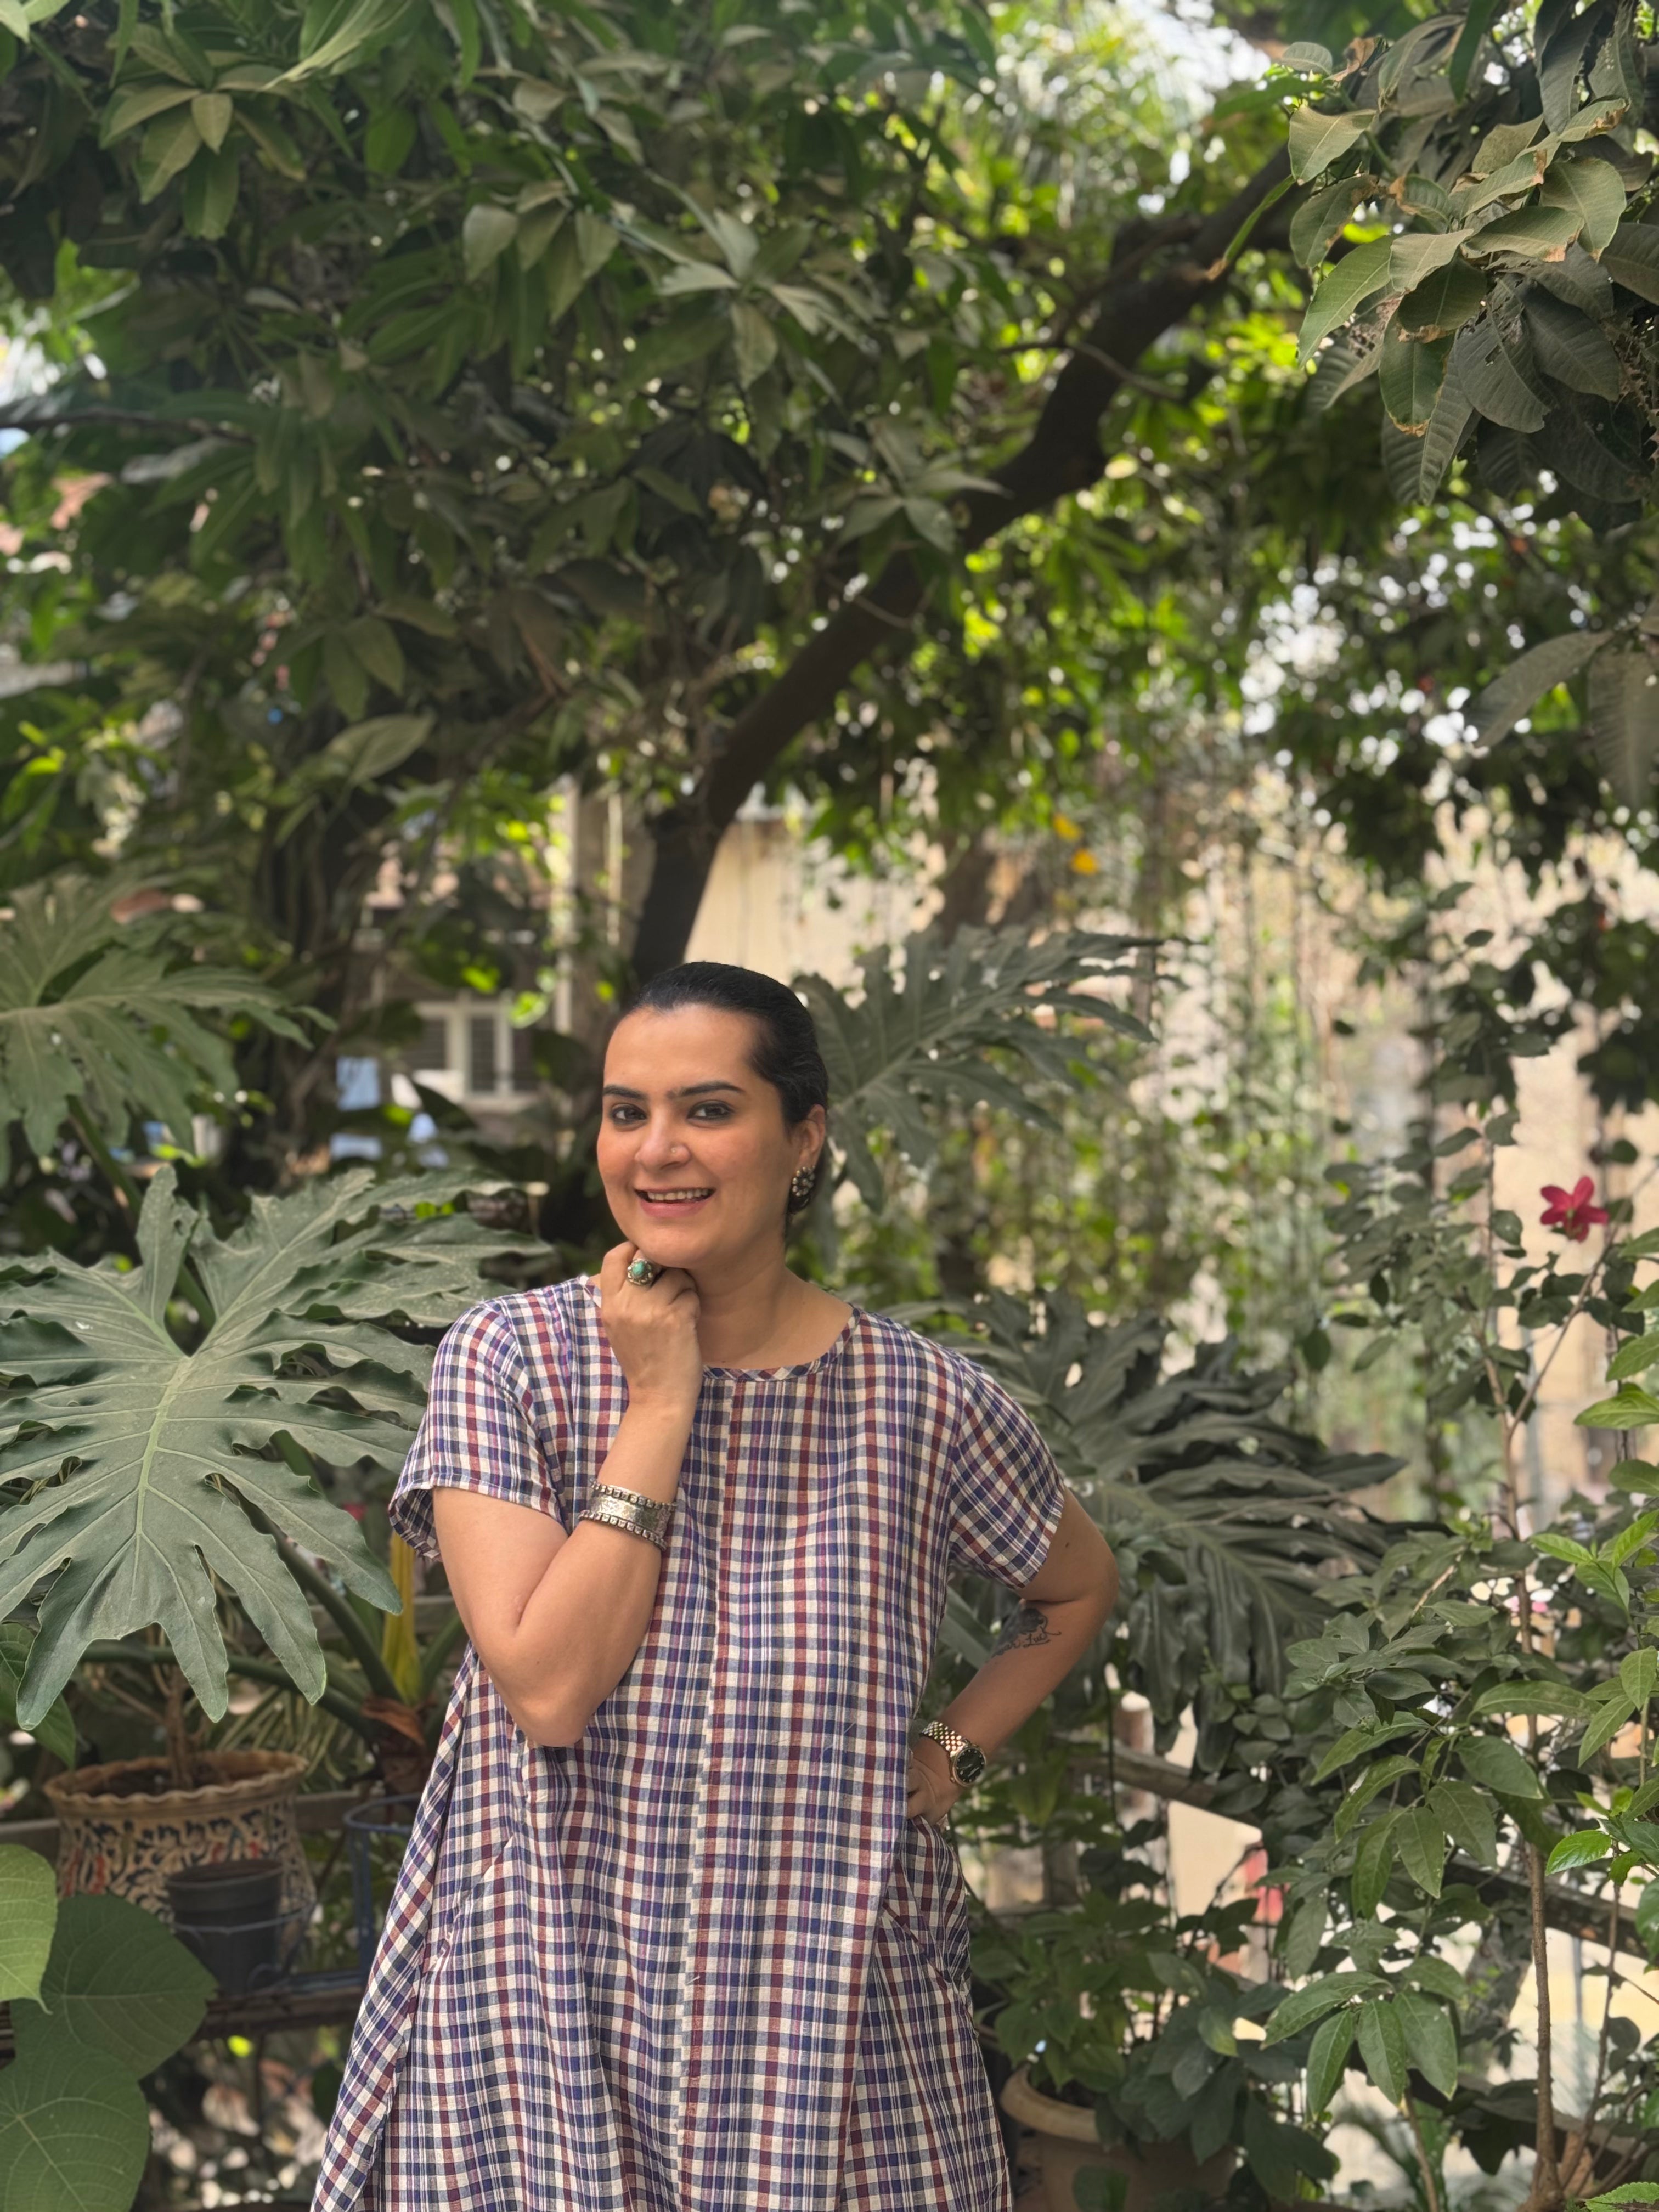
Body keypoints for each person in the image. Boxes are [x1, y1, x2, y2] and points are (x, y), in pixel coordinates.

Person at [313, 961, 1119, 2212]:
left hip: (832, 2035)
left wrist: (951, 1756)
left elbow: (1074, 1591)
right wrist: (660, 1401)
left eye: (707, 1109)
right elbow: (549, 1691)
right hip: (544, 2017)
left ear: (803, 1139)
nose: (657, 1150)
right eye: (626, 1112)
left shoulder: (922, 1404)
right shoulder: (511, 1362)